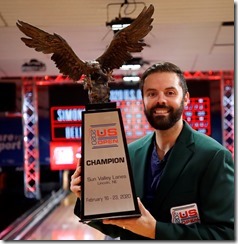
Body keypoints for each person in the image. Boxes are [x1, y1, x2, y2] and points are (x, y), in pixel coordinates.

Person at [70, 61, 234, 240]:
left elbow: (226, 234)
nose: (161, 100)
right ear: (143, 100)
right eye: (152, 94)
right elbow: (118, 227)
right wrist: (87, 200)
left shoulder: (214, 156)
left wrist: (155, 230)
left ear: (186, 98)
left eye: (170, 93)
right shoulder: (130, 154)